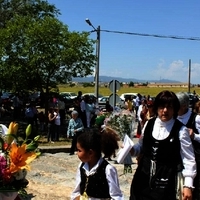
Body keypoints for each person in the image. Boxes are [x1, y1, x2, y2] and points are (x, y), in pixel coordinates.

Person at [129, 90, 197, 200]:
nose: (165, 110)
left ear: (174, 109)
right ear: (156, 108)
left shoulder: (181, 130)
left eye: (169, 107)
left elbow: (189, 159)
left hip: (166, 183)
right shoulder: (149, 124)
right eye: (162, 107)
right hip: (142, 179)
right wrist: (132, 150)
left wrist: (188, 185)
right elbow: (141, 146)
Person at [71, 127, 123, 200]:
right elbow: (76, 191)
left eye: (79, 150)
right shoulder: (81, 167)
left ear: (90, 153)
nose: (77, 153)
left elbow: (117, 197)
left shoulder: (108, 169)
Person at [176, 92, 200, 200]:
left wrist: (194, 136)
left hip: (195, 161)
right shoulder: (173, 119)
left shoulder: (196, 119)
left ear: (184, 106)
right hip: (177, 162)